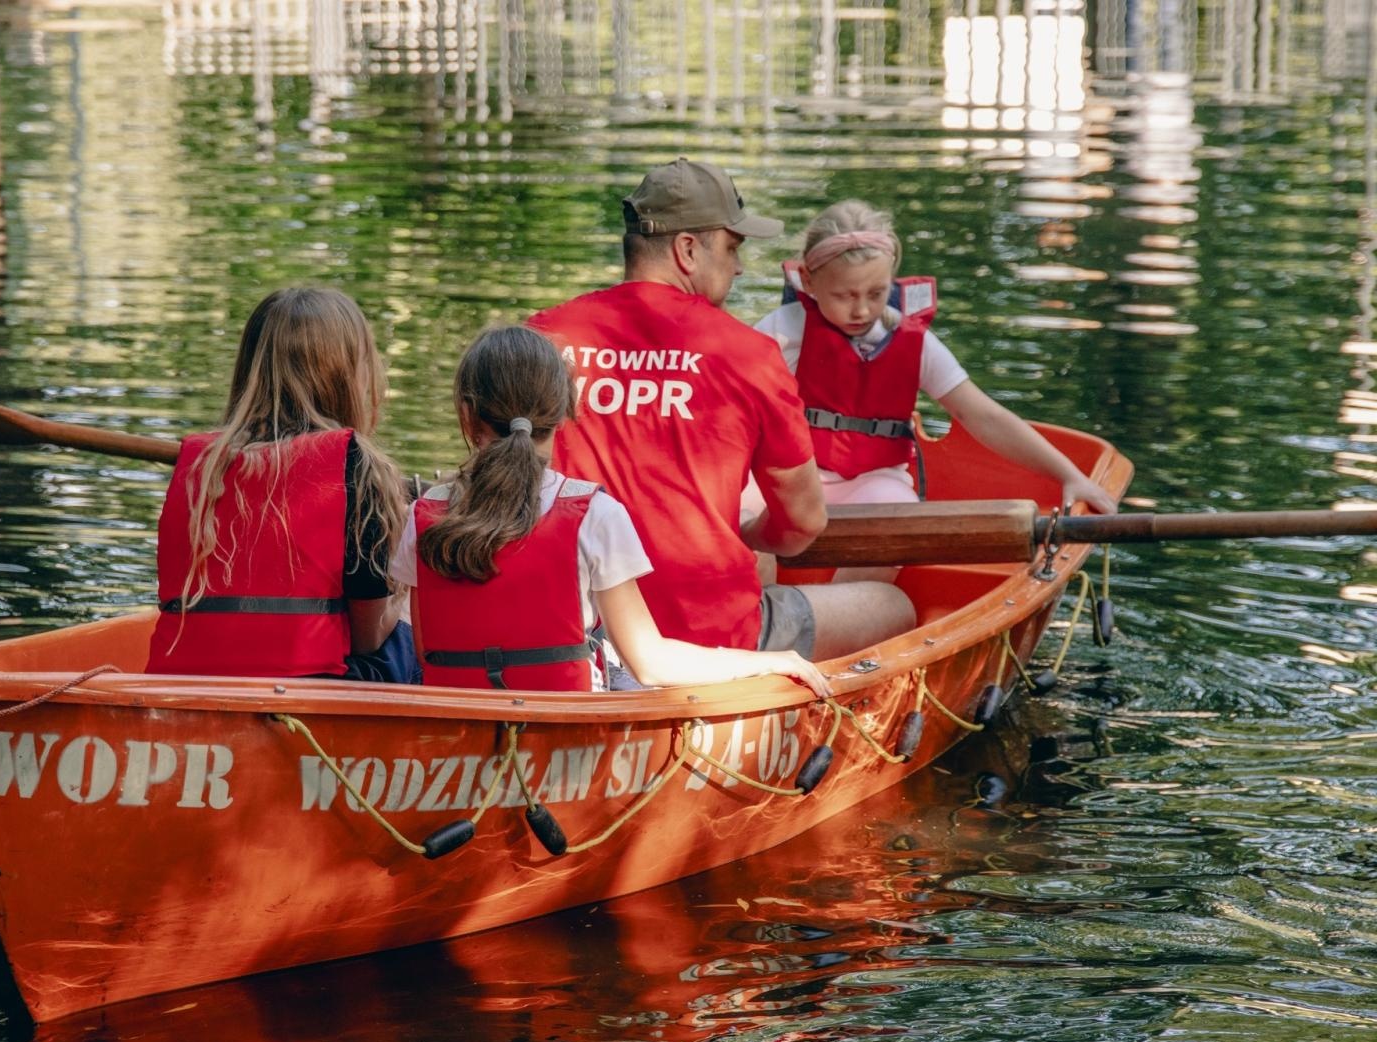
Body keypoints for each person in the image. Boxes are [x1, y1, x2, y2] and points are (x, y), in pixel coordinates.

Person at [527, 158, 915, 663]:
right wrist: (754, 535)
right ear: (688, 250)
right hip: (707, 633)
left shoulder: (542, 338)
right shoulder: (748, 354)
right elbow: (802, 522)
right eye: (732, 248)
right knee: (895, 606)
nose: (738, 267)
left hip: (568, 631)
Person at [388, 325, 831, 696]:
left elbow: (428, 654)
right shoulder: (594, 514)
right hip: (569, 736)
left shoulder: (424, 515)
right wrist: (768, 661)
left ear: (467, 416)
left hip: (458, 737)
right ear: (566, 412)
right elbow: (653, 665)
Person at [753, 199, 1119, 521]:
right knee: (732, 508)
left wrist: (1070, 476)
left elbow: (982, 415)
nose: (862, 309)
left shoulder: (914, 342)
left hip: (874, 483)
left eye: (877, 293)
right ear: (808, 281)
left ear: (891, 282)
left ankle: (845, 600)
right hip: (791, 474)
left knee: (897, 522)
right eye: (844, 295)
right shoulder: (783, 331)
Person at [147, 286, 417, 682]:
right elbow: (368, 639)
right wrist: (408, 585)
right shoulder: (356, 464)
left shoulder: (199, 464)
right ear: (348, 375)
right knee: (416, 612)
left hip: (186, 681)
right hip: (308, 690)